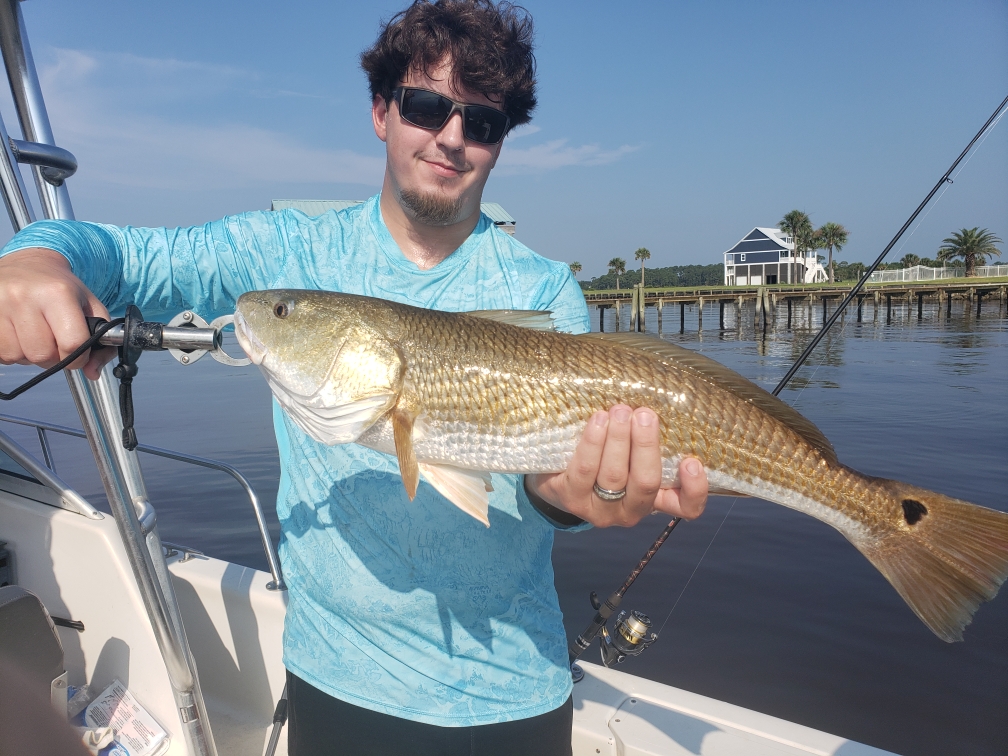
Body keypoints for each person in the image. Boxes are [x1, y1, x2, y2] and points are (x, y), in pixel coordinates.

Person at [0, 1, 708, 753]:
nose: (451, 137)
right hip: (335, 680)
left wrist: (577, 498)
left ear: (503, 142)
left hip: (509, 692)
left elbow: (543, 486)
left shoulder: (543, 292)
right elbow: (124, 253)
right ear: (381, 109)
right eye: (427, 106)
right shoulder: (289, 257)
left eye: (483, 122)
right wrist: (36, 258)